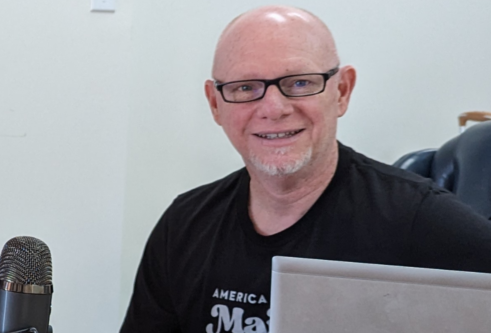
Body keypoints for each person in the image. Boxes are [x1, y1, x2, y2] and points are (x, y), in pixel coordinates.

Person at [120, 5, 491, 333]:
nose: (274, 107)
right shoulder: (183, 226)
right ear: (215, 104)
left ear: (342, 91)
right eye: (246, 87)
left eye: (299, 83)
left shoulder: (423, 222)